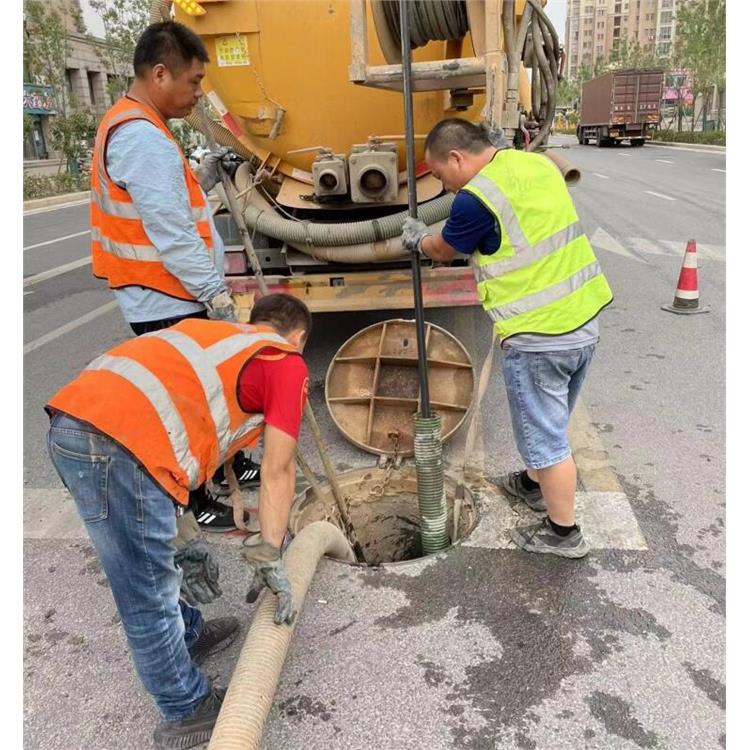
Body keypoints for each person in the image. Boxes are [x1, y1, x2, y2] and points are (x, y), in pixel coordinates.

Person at [45, 294, 312, 749]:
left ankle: (185, 635)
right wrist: (269, 554)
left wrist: (184, 536)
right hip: (117, 443)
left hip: (76, 425)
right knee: (146, 590)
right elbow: (278, 469)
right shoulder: (285, 362)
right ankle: (184, 709)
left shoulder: (214, 336)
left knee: (147, 566)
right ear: (299, 338)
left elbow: (178, 428)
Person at [402, 118, 613, 559]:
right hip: (583, 321)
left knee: (547, 437)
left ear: (457, 158)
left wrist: (420, 240)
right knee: (551, 423)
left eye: (441, 175)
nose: (444, 185)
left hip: (538, 334)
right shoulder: (534, 164)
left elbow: (444, 249)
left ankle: (563, 533)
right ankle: (534, 484)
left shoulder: (476, 200)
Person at [90, 21, 261, 526]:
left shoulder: (143, 126)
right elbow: (169, 231)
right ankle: (196, 500)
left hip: (168, 292)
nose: (198, 93)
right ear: (160, 73)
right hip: (164, 297)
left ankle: (231, 463)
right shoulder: (141, 137)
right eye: (193, 82)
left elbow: (171, 206)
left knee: (209, 391)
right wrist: (215, 292)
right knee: (188, 404)